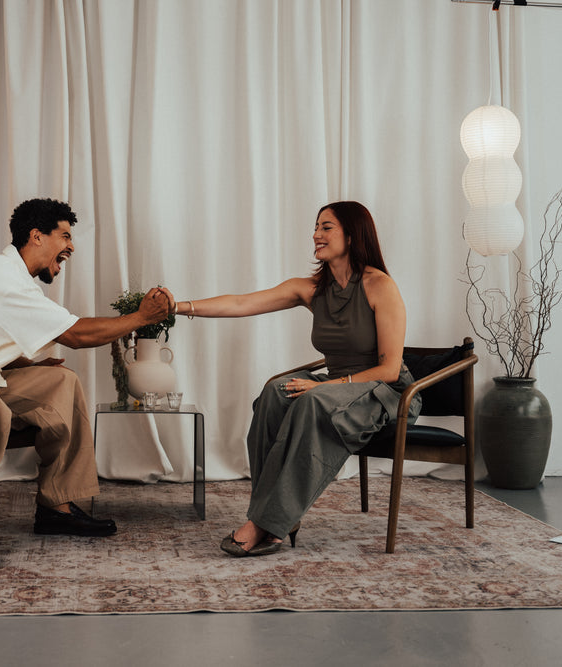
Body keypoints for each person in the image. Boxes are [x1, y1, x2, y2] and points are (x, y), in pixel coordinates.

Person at [0, 198, 174, 570]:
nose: (71, 246)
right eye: (65, 236)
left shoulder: (16, 282)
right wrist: (140, 317)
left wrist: (28, 365)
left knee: (59, 381)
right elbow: (75, 335)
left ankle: (57, 507)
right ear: (36, 236)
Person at [173, 201, 420, 557]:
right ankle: (274, 517)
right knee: (276, 392)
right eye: (316, 227)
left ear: (352, 235)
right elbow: (242, 303)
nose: (316, 234)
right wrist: (178, 307)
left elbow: (389, 370)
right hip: (337, 389)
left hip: (384, 394)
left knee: (313, 400)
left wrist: (322, 386)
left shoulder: (380, 285)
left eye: (326, 227)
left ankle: (264, 523)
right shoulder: (312, 288)